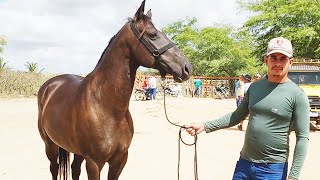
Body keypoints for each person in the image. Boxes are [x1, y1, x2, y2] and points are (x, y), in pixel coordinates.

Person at [185, 37, 310, 180]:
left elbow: (302, 138)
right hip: (244, 164)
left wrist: (293, 176)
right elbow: (237, 116)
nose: (277, 63)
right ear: (266, 60)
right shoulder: (255, 88)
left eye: (283, 59)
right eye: (273, 58)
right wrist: (204, 126)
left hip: (273, 168)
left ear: (291, 62)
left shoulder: (297, 95)